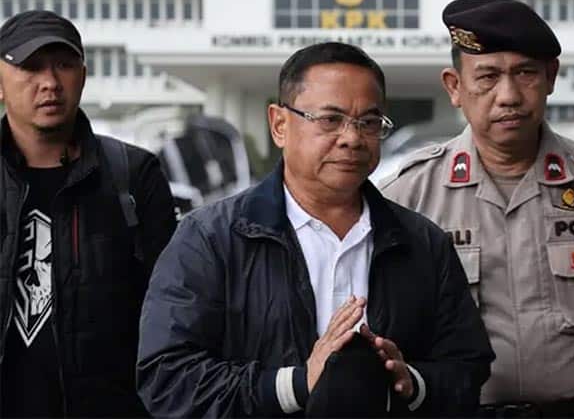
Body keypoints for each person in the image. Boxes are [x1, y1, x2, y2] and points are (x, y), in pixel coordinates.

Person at [137, 41, 494, 417]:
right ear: (279, 125)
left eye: (369, 122)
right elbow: (168, 379)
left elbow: (467, 368)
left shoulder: (421, 242)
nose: (352, 138)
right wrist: (294, 384)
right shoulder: (211, 239)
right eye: (330, 119)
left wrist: (412, 383)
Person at [380, 0, 574, 418]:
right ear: (454, 87)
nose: (508, 96)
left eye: (525, 73)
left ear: (550, 77)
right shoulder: (408, 196)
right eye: (487, 76)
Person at [0, 10, 177, 417]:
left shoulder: (133, 176)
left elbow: (173, 315)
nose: (50, 82)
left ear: (83, 75)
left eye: (63, 65)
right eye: (31, 67)